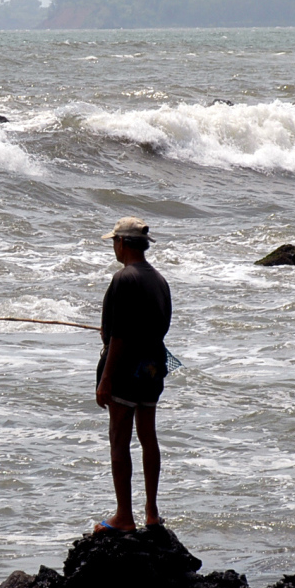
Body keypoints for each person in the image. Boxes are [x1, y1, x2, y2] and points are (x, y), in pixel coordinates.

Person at [94, 216, 172, 533]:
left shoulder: (123, 279)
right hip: (154, 366)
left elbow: (119, 336)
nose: (113, 246)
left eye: (114, 241)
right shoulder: (160, 281)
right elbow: (158, 326)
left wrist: (106, 379)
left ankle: (124, 516)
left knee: (119, 439)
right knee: (148, 437)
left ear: (123, 243)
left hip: (126, 368)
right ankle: (151, 513)